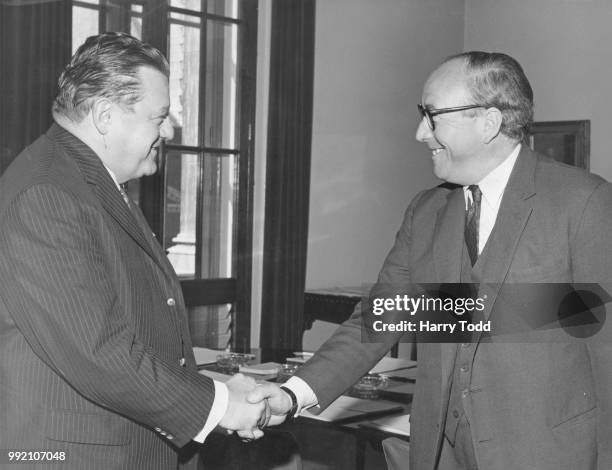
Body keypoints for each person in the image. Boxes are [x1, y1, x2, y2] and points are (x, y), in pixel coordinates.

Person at [251, 51, 612, 469]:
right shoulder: (426, 212)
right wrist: (295, 393)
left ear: (489, 122)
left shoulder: (584, 203)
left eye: (432, 115)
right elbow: (380, 318)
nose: (421, 132)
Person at [0, 32, 269, 470]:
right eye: (158, 117)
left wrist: (214, 391)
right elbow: (98, 352)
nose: (168, 130)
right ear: (105, 115)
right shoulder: (47, 193)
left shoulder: (84, 180)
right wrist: (220, 406)